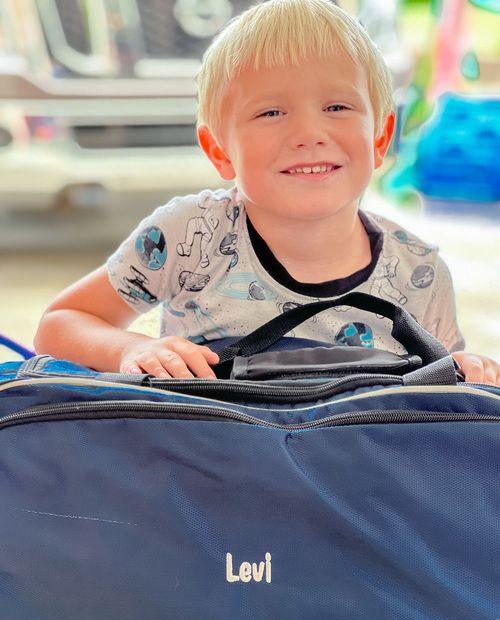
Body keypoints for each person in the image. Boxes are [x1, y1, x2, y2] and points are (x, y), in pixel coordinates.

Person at [35, 0, 500, 385]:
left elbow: (440, 398)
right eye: (271, 113)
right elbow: (62, 323)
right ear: (220, 151)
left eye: (337, 106)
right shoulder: (188, 237)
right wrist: (131, 349)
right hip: (213, 457)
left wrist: (470, 368)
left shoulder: (419, 272)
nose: (309, 133)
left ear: (380, 138)